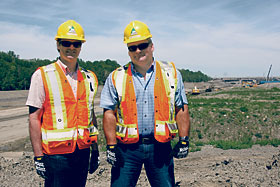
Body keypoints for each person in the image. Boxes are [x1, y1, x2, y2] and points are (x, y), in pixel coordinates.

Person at [100, 20, 191, 187]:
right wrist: (111, 145)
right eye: (132, 47)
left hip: (160, 147)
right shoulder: (117, 76)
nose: (138, 51)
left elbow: (181, 108)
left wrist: (184, 140)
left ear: (152, 46)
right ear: (128, 51)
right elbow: (109, 113)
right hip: (127, 150)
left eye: (142, 45)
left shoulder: (171, 73)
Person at [26, 20, 99, 187]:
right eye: (66, 43)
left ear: (81, 46)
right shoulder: (42, 75)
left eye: (76, 44)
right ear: (58, 45)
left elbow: (90, 115)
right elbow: (34, 118)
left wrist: (95, 149)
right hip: (55, 156)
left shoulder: (89, 77)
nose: (71, 48)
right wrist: (38, 156)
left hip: (82, 151)